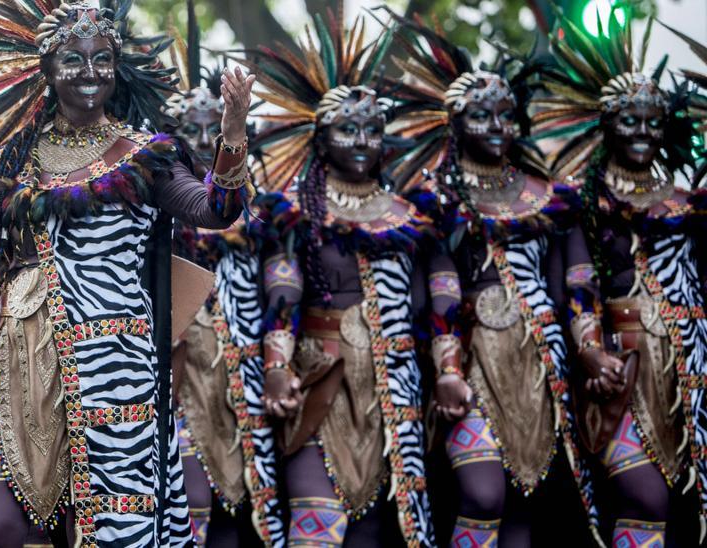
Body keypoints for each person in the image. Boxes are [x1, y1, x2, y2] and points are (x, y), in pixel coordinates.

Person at [0, 1, 254, 545]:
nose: (90, 70)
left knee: (114, 535)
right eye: (73, 58)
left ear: (117, 66)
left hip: (114, 370)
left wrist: (233, 133)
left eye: (102, 57)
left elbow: (217, 210)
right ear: (46, 69)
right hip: (21, 369)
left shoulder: (146, 156)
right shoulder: (13, 164)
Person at [384, 16, 602, 546]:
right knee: (484, 495)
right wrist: (448, 368)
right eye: (481, 115)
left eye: (506, 114)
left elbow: (576, 284)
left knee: (528, 499)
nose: (497, 125)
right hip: (470, 354)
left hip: (541, 358)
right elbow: (441, 290)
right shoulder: (438, 200)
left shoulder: (549, 197)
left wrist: (591, 348)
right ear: (454, 123)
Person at [248, 15, 449, 547]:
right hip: (322, 386)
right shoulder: (297, 212)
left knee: (379, 533)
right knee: (317, 532)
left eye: (372, 129)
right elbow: (283, 295)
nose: (362, 140)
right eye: (347, 128)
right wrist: (275, 367)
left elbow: (437, 308)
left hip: (394, 393)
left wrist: (448, 369)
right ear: (320, 137)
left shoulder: (412, 217)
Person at [535, 15, 707, 546]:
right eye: (629, 121)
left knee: (682, 507)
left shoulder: (685, 206)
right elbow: (579, 287)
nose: (643, 132)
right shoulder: (586, 205)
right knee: (643, 496)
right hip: (621, 372)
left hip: (688, 372)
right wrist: (589, 350)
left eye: (653, 121)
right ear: (605, 125)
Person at [163, 8, 283, 545]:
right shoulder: (151, 194)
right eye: (192, 130)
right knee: (185, 499)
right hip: (171, 371)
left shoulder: (264, 210)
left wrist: (281, 356)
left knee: (244, 500)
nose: (206, 138)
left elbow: (284, 283)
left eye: (217, 129)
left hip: (246, 370)